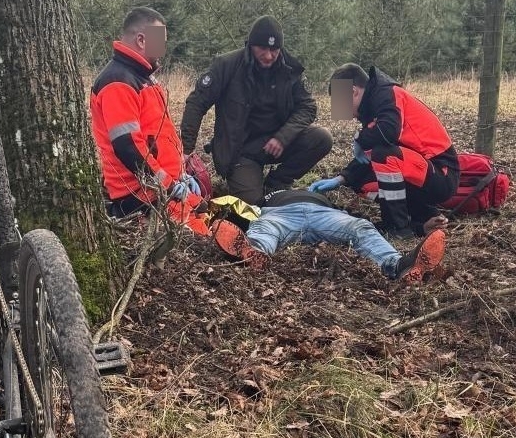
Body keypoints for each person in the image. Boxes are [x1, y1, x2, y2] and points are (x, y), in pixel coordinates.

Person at [180, 15, 334, 205]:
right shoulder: (226, 65)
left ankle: (277, 183)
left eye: (274, 49)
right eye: (263, 48)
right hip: (240, 151)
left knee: (322, 138)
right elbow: (197, 103)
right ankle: (251, 183)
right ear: (251, 44)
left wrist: (282, 137)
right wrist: (186, 148)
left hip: (275, 143)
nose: (269, 56)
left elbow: (307, 107)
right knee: (253, 207)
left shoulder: (289, 68)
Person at [90, 7, 208, 235]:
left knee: (210, 215)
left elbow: (159, 134)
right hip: (141, 196)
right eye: (160, 41)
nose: (163, 49)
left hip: (162, 189)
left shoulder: (142, 77)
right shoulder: (118, 82)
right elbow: (129, 148)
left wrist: (181, 175)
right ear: (142, 40)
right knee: (205, 238)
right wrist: (170, 186)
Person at [310, 64, 459, 239]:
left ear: (353, 91)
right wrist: (342, 178)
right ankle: (421, 219)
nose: (345, 113)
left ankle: (398, 229)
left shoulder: (387, 94)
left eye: (339, 100)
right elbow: (370, 153)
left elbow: (388, 133)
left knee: (383, 155)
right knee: (361, 182)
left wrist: (359, 138)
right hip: (419, 173)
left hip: (441, 173)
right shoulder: (372, 106)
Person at [210, 188, 447, 283]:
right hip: (279, 213)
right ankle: (253, 253)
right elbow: (245, 215)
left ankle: (399, 265)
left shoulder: (323, 196)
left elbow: (371, 224)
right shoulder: (267, 197)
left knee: (360, 227)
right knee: (264, 230)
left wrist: (419, 228)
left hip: (326, 213)